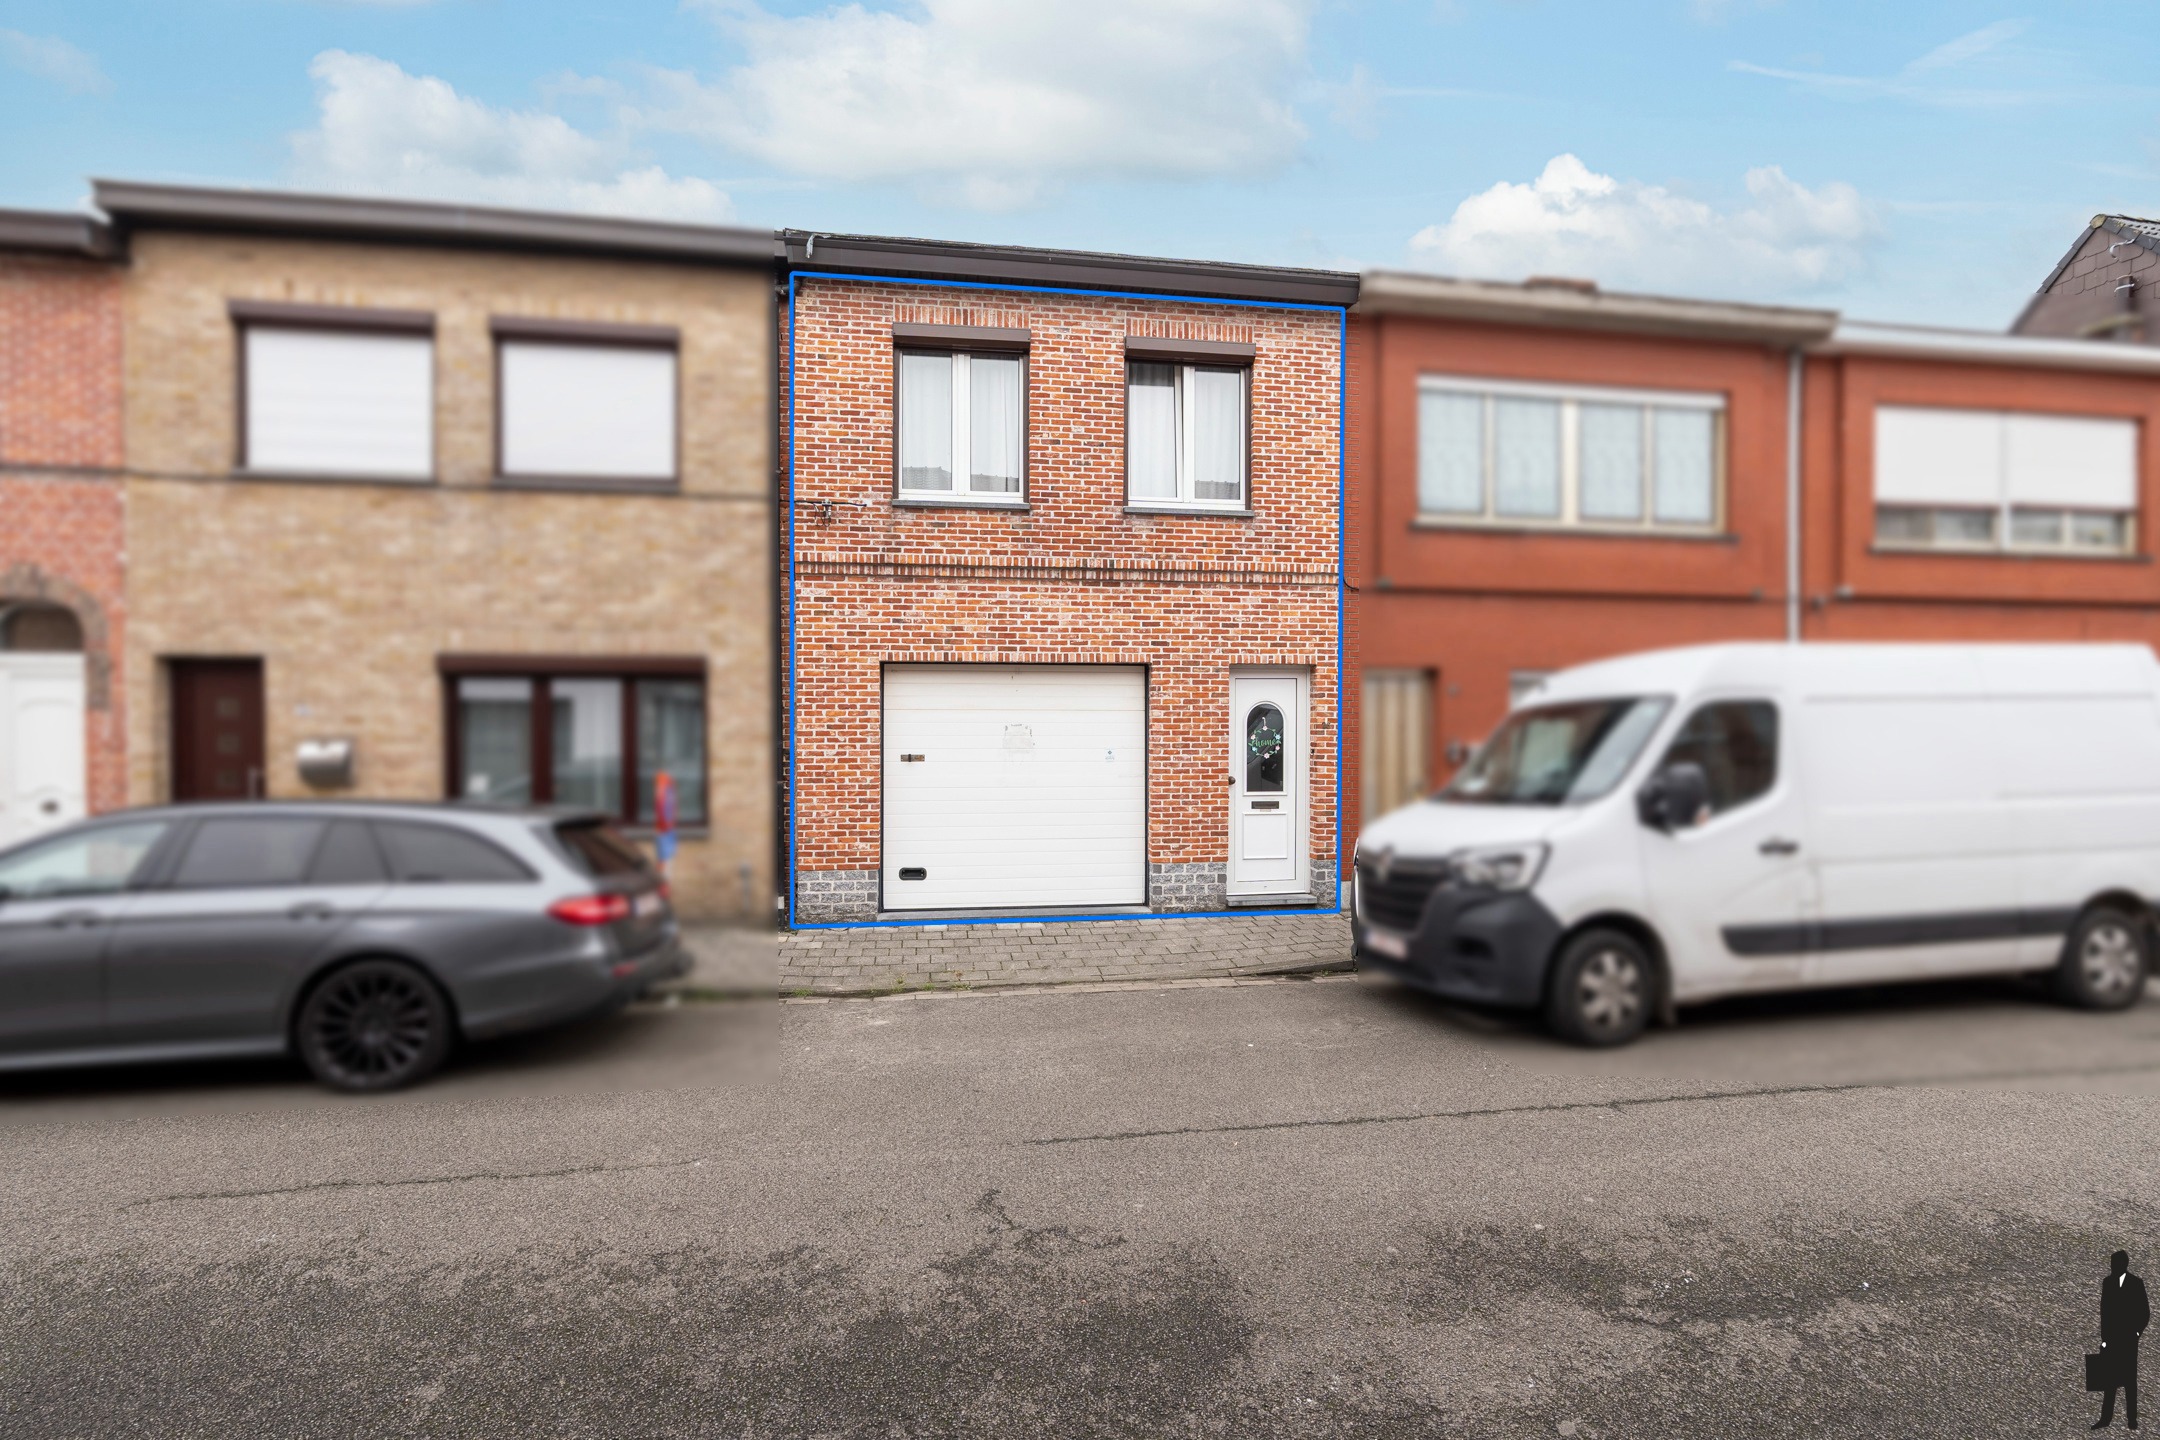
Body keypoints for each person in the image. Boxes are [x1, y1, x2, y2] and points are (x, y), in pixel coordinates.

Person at [2098, 1250, 2150, 1429]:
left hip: (2128, 1341)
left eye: (2114, 1264)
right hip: (2113, 1340)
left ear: (2123, 1264)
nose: (2112, 1267)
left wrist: (2136, 1333)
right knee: (2110, 1381)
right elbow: (2104, 1313)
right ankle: (2106, 1418)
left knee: (2129, 1381)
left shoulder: (2136, 1284)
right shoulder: (2108, 1283)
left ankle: (2132, 1419)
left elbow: (2145, 1312)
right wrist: (2104, 1339)